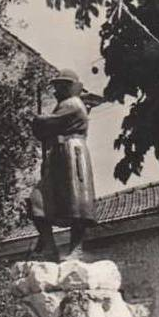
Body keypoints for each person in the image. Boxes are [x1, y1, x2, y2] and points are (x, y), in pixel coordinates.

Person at [28, 69, 97, 261]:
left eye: (59, 86)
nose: (55, 90)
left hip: (72, 152)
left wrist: (39, 119)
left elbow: (49, 123)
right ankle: (49, 247)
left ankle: (76, 248)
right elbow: (46, 130)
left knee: (77, 203)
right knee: (37, 200)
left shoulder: (73, 104)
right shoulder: (63, 105)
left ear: (69, 87)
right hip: (58, 155)